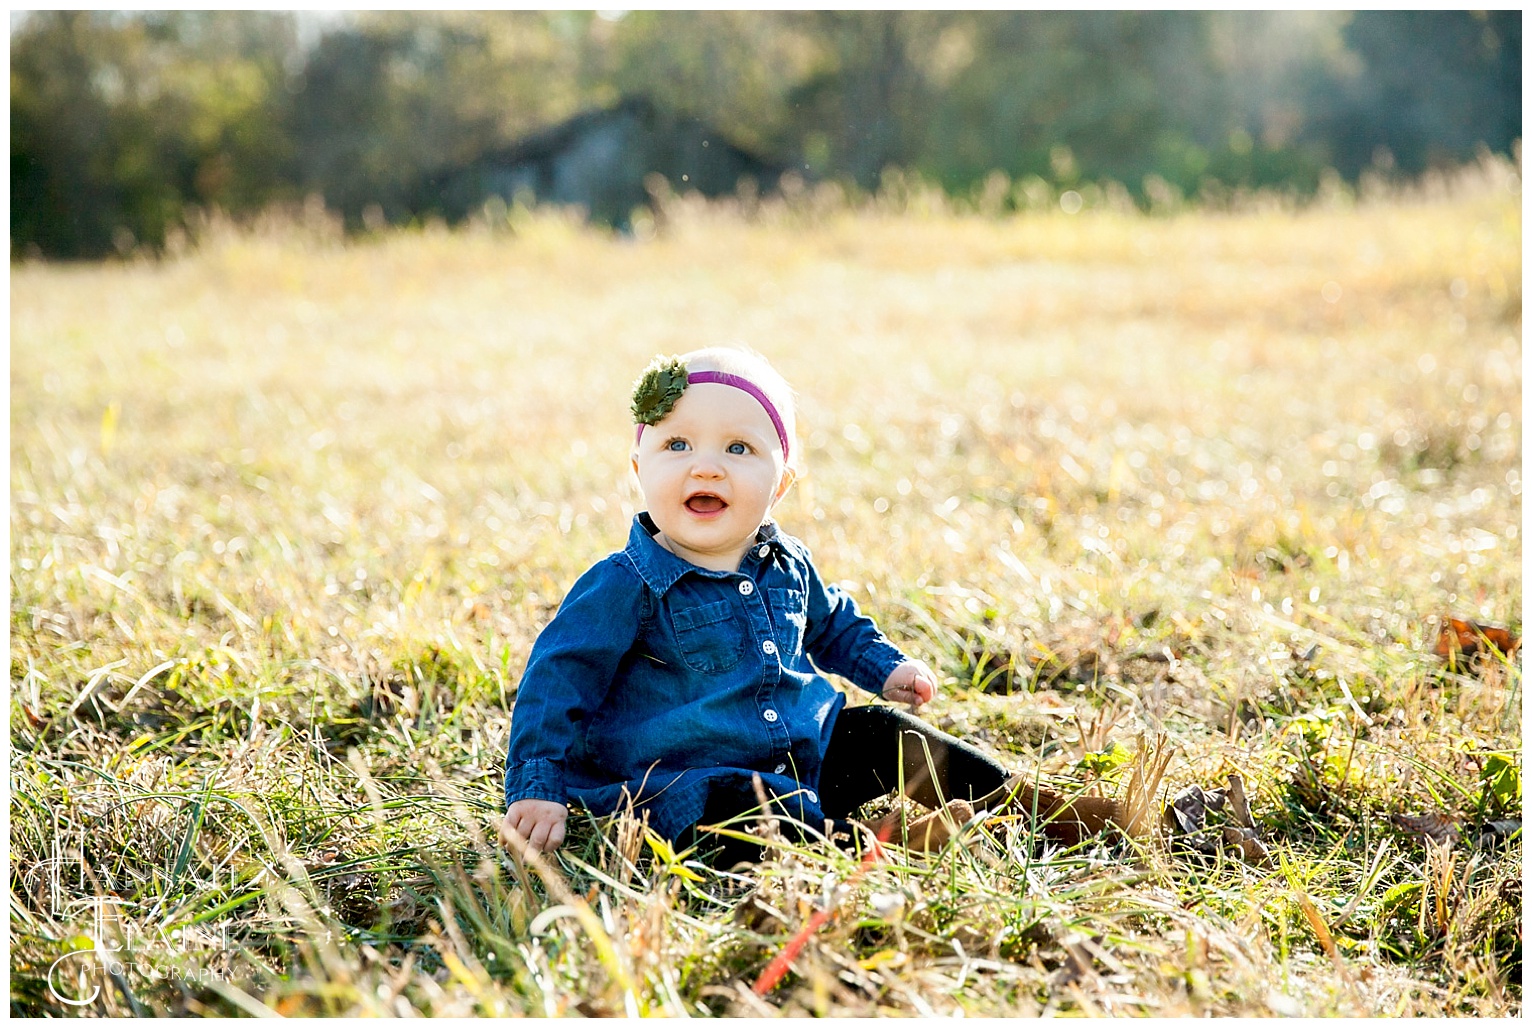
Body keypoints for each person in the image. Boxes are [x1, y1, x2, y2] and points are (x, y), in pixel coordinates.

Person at [499, 347, 1013, 863]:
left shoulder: (787, 562)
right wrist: (537, 786)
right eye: (677, 444)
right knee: (730, 815)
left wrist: (886, 667)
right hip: (688, 781)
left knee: (882, 733)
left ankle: (1023, 806)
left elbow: (832, 622)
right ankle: (871, 844)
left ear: (781, 483)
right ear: (639, 468)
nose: (706, 467)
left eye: (738, 448)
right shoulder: (624, 585)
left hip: (803, 754)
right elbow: (556, 679)